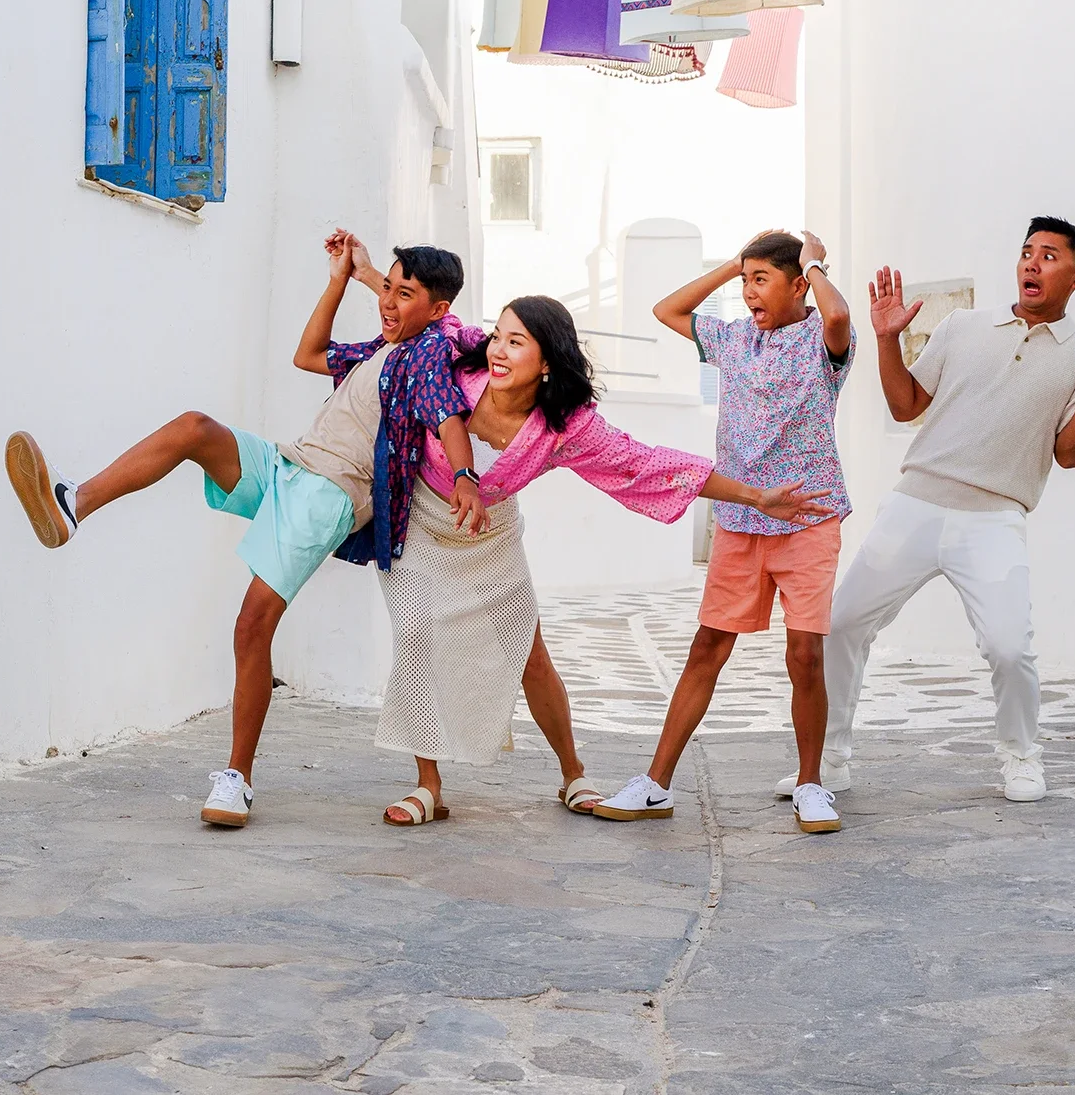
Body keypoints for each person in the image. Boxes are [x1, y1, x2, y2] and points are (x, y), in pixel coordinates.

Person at [4, 238, 483, 829]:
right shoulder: (385, 346)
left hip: (329, 494)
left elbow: (448, 415)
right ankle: (72, 506)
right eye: (387, 287)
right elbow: (308, 355)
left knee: (252, 624)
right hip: (289, 465)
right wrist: (343, 278)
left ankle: (237, 780)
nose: (388, 301)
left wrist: (465, 476)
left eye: (404, 294)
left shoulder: (432, 350)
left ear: (436, 309)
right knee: (193, 428)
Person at [333, 267, 831, 829]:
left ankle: (572, 771)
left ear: (546, 362)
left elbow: (644, 463)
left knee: (527, 652)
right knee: (419, 639)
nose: (498, 349)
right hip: (422, 513)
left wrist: (755, 495)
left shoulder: (566, 426)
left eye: (515, 342)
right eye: (498, 335)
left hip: (490, 529)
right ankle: (429, 785)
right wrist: (366, 270)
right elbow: (418, 306)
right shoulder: (455, 359)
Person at [817, 217, 1075, 804]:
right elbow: (906, 405)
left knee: (1010, 647)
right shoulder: (963, 327)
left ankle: (1020, 757)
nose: (1033, 263)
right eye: (1027, 252)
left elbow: (1069, 455)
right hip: (916, 503)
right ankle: (829, 761)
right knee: (841, 624)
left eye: (1051, 257)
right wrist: (886, 339)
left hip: (994, 520)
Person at [594, 229, 855, 834]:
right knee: (707, 647)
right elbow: (668, 311)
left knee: (805, 654)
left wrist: (813, 263)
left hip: (808, 518)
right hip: (739, 520)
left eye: (760, 281)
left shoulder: (824, 339)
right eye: (744, 281)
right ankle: (655, 784)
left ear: (799, 285)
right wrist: (734, 264)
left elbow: (837, 310)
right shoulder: (734, 338)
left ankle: (811, 785)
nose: (747, 293)